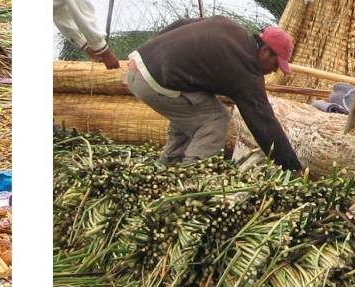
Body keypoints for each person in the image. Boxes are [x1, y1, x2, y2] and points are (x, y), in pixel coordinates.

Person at [125, 16, 303, 172]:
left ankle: (168, 166)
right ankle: (190, 180)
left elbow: (181, 24)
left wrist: (146, 54)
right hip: (152, 82)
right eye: (275, 65)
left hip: (140, 64)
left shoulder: (230, 27)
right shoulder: (245, 69)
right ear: (265, 51)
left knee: (198, 108)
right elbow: (263, 121)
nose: (273, 71)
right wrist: (291, 166)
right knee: (216, 119)